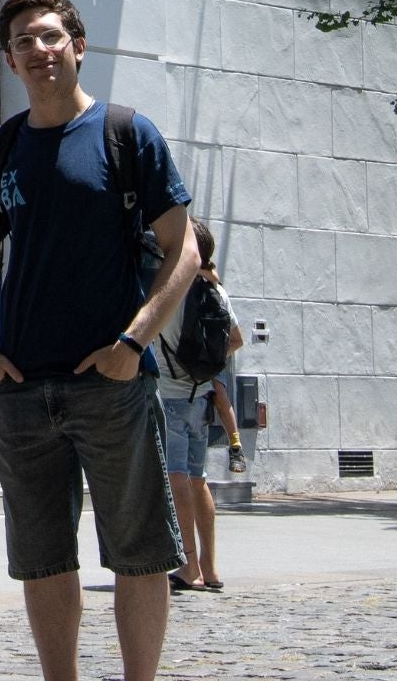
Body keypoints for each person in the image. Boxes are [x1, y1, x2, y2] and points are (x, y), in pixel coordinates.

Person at [0, 0, 200, 681]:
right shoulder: (3, 148)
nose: (39, 52)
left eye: (50, 37)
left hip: (112, 387)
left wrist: (133, 344)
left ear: (78, 45)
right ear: (11, 60)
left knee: (140, 553)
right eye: (24, 43)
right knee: (42, 559)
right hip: (25, 389)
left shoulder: (128, 134)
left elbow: (181, 250)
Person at [160, 221, 244, 593]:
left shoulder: (171, 288)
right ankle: (211, 567)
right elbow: (237, 339)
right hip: (200, 396)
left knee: (177, 479)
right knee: (199, 479)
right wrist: (204, 363)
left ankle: (188, 565)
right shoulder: (217, 291)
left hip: (172, 395)